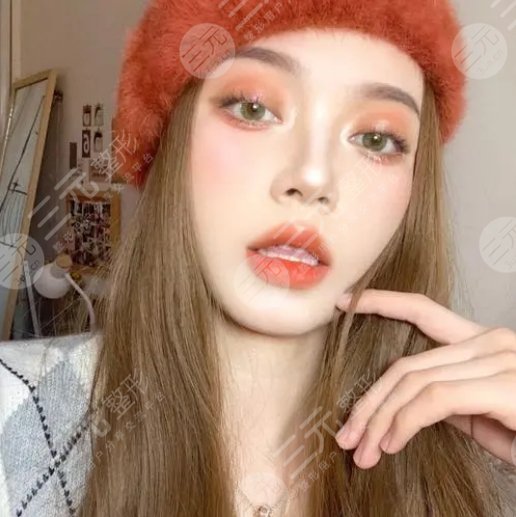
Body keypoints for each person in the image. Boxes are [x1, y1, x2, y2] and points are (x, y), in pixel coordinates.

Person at [1, 0, 516, 516]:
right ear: (170, 139)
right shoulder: (15, 416)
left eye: (376, 138)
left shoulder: (483, 465)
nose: (313, 177)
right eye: (253, 108)